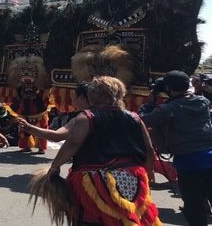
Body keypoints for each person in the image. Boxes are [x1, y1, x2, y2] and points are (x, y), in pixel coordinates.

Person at [31, 76, 160, 225]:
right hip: (133, 178)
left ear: (94, 95)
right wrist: (149, 172)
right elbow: (149, 149)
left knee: (91, 219)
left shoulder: (86, 117)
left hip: (96, 179)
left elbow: (73, 142)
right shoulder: (135, 118)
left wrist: (55, 166)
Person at [140, 70, 212, 226]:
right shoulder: (202, 102)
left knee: (194, 206)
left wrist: (150, 103)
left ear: (168, 87)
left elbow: (142, 121)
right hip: (209, 157)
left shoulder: (167, 109)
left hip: (188, 162)